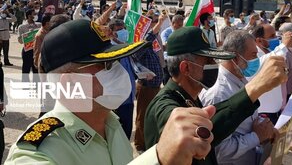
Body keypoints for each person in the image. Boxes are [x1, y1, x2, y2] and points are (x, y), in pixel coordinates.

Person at [5, 19, 218, 164]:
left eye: (116, 61)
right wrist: (158, 158)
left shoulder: (111, 123)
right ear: (70, 84)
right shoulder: (37, 151)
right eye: (106, 65)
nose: (118, 70)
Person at [144, 26, 288, 164]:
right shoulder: (165, 105)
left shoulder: (189, 98)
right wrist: (256, 87)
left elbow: (213, 131)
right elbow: (195, 132)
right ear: (186, 67)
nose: (215, 65)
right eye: (208, 60)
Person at [199, 31, 277, 165]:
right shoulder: (218, 94)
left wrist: (265, 127)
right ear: (235, 58)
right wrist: (257, 137)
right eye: (253, 55)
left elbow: (246, 121)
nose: (256, 60)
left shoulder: (240, 79)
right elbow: (219, 150)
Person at [132, 13, 166, 153]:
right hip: (146, 88)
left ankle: (149, 141)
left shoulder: (151, 48)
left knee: (152, 116)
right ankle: (140, 145)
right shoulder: (140, 48)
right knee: (142, 116)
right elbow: (148, 39)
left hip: (155, 88)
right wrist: (159, 24)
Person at [18, 9, 42, 82]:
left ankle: (37, 87)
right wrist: (26, 36)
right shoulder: (21, 27)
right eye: (34, 14)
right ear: (29, 16)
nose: (35, 16)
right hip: (27, 51)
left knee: (36, 69)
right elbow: (20, 41)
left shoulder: (39, 25)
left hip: (37, 50)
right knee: (26, 69)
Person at [161, 15, 184, 84]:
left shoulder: (183, 32)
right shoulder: (165, 33)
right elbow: (166, 46)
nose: (180, 27)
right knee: (167, 81)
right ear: (173, 23)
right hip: (168, 60)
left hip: (179, 60)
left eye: (181, 25)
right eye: (179, 25)